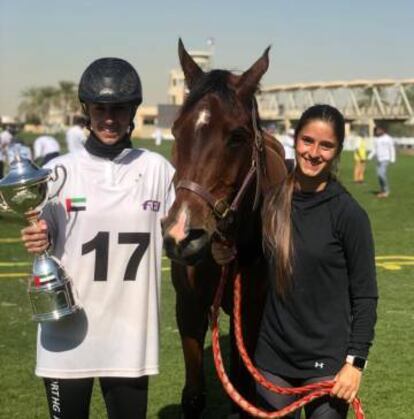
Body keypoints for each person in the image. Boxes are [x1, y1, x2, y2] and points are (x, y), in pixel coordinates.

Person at [20, 57, 175, 419]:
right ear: (86, 110)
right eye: (100, 108)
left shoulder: (157, 169)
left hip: (129, 337)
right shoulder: (58, 172)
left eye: (119, 108)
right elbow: (42, 235)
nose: (109, 118)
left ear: (133, 110)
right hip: (66, 335)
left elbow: (187, 232)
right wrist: (37, 238)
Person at [212, 104, 378, 418]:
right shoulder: (272, 202)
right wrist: (225, 252)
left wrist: (354, 364)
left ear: (338, 150)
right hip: (273, 358)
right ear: (295, 140)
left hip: (326, 363)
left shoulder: (348, 215)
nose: (314, 152)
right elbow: (252, 258)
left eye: (326, 145)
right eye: (307, 141)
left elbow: (366, 296)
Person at [368, 125, 396, 198]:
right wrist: (369, 156)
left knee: (381, 174)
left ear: (383, 130)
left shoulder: (388, 138)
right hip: (378, 159)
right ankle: (382, 190)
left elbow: (391, 148)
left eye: (379, 130)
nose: (377, 131)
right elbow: (375, 149)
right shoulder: (377, 139)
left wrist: (392, 158)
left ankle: (386, 190)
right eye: (377, 130)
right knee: (379, 176)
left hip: (385, 159)